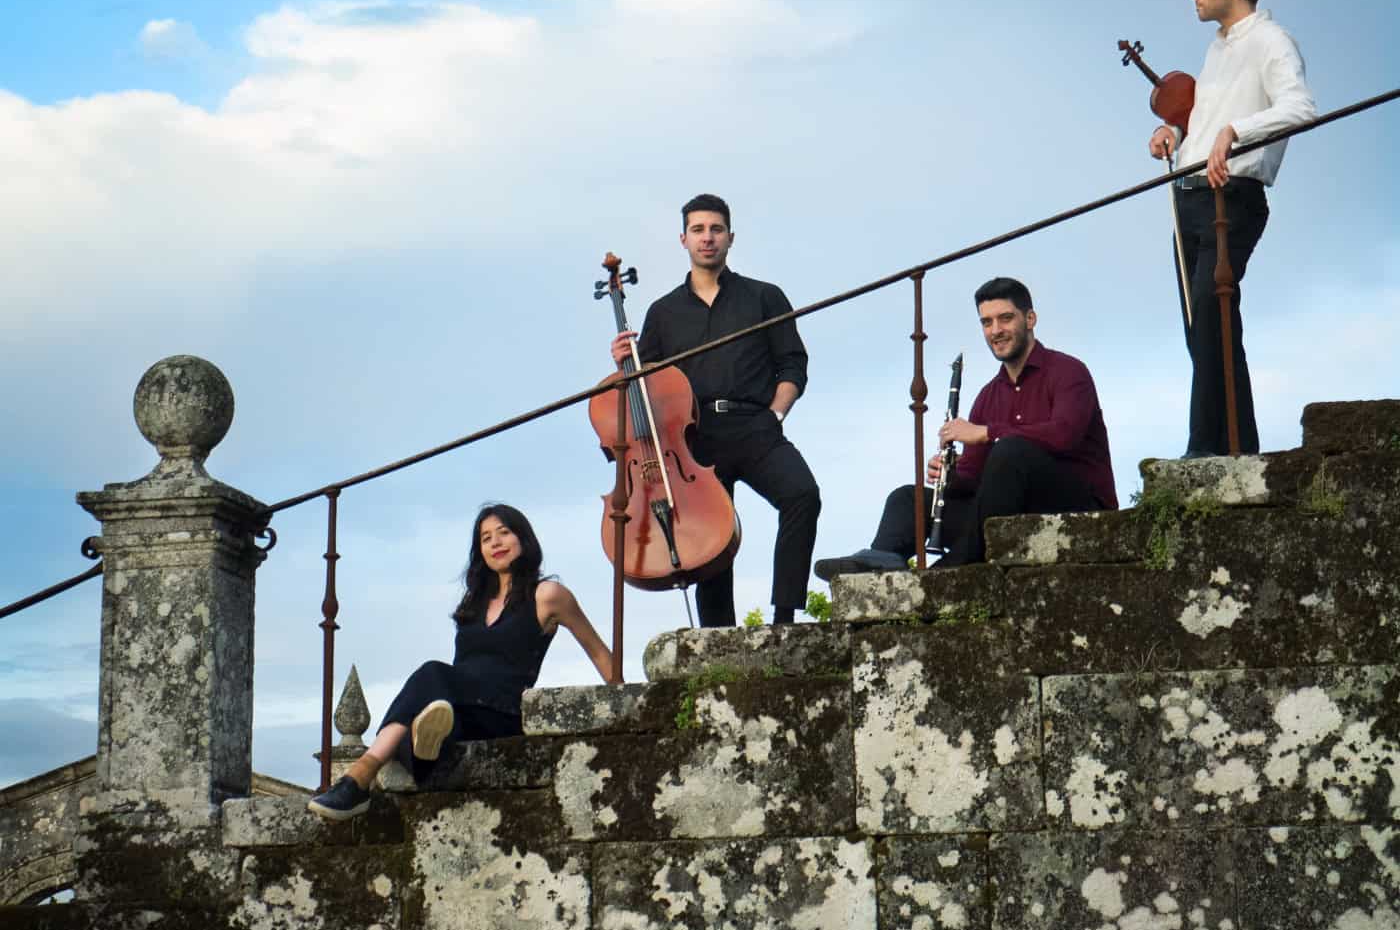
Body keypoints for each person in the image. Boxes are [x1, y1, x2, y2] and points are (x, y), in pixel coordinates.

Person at [307, 503, 613, 820]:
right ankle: (424, 740)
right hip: (462, 712)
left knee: (432, 673)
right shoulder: (474, 603)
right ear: (479, 550)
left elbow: (598, 650)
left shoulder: (547, 594)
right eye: (486, 538)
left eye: (504, 533)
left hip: (503, 711)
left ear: (524, 539)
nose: (495, 543)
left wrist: (624, 706)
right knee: (413, 727)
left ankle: (358, 778)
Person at [611, 192, 820, 629]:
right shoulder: (663, 313)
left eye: (716, 229)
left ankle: (784, 618)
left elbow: (792, 365)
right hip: (694, 439)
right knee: (709, 539)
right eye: (699, 230)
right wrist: (624, 363)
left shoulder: (765, 297)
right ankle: (718, 637)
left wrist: (775, 414)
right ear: (683, 239)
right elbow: (644, 389)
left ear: (730, 237)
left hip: (755, 426)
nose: (708, 238)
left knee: (802, 494)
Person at [815, 276, 1116, 576]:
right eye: (986, 322)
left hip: (1078, 505)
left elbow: (1065, 434)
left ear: (1030, 319)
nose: (995, 331)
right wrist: (952, 473)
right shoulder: (989, 395)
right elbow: (975, 477)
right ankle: (878, 562)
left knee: (1012, 450)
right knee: (908, 499)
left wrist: (986, 432)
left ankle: (948, 571)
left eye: (1005, 318)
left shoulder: (1068, 371)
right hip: (1004, 511)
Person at [1149, 0, 1315, 457]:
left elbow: (1301, 107)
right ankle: (1234, 447)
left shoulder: (1272, 41)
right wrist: (1176, 132)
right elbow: (1207, 121)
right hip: (1190, 196)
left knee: (1209, 315)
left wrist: (1235, 132)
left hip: (1231, 198)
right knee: (1207, 329)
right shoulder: (1217, 48)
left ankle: (1205, 450)